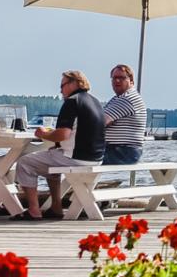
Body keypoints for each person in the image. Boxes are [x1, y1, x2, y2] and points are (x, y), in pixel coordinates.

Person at [15, 70, 104, 219]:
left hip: (76, 158)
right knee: (52, 156)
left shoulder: (72, 102)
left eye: (62, 85)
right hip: (96, 158)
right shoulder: (95, 102)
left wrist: (43, 134)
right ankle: (56, 206)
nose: (60, 90)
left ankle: (33, 210)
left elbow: (63, 134)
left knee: (25, 163)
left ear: (73, 83)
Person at [102, 64, 147, 165]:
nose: (117, 81)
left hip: (123, 152)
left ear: (131, 80)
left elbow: (100, 122)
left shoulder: (127, 99)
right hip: (121, 150)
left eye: (121, 78)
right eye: (114, 78)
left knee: (77, 158)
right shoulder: (118, 98)